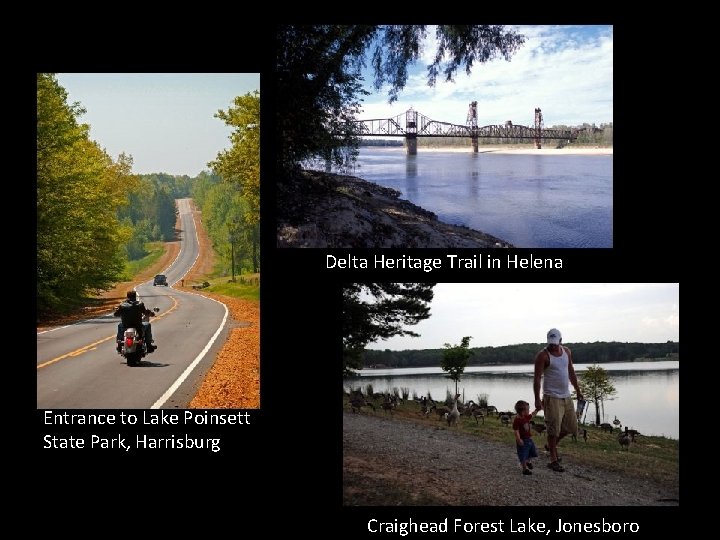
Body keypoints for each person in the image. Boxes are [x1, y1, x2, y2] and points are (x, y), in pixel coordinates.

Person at [533, 328, 583, 472]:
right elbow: (537, 379)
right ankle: (553, 460)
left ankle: (551, 446)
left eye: (555, 343)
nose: (553, 346)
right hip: (551, 397)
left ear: (561, 341)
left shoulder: (567, 352)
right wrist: (537, 399)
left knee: (571, 427)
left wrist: (578, 390)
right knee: (553, 430)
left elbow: (571, 371)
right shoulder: (542, 356)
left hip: (566, 396)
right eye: (550, 343)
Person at [513, 400, 540, 475]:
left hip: (529, 439)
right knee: (523, 454)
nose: (529, 411)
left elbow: (532, 415)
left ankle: (528, 462)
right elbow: (516, 431)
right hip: (523, 441)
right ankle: (525, 469)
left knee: (532, 452)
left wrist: (537, 410)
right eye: (527, 409)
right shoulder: (517, 420)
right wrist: (518, 439)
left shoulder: (525, 417)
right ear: (522, 411)